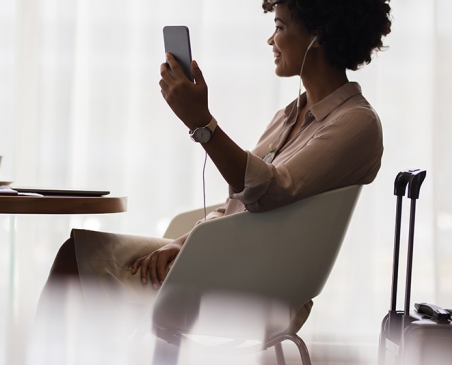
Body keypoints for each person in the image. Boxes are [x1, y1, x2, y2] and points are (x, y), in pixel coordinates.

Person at [41, 0, 392, 323]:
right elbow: (237, 203)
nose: (271, 40)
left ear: (318, 35)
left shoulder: (357, 123)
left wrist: (203, 124)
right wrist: (184, 242)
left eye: (280, 27)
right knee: (78, 253)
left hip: (257, 281)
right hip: (220, 258)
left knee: (78, 262)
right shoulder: (287, 117)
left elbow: (270, 192)